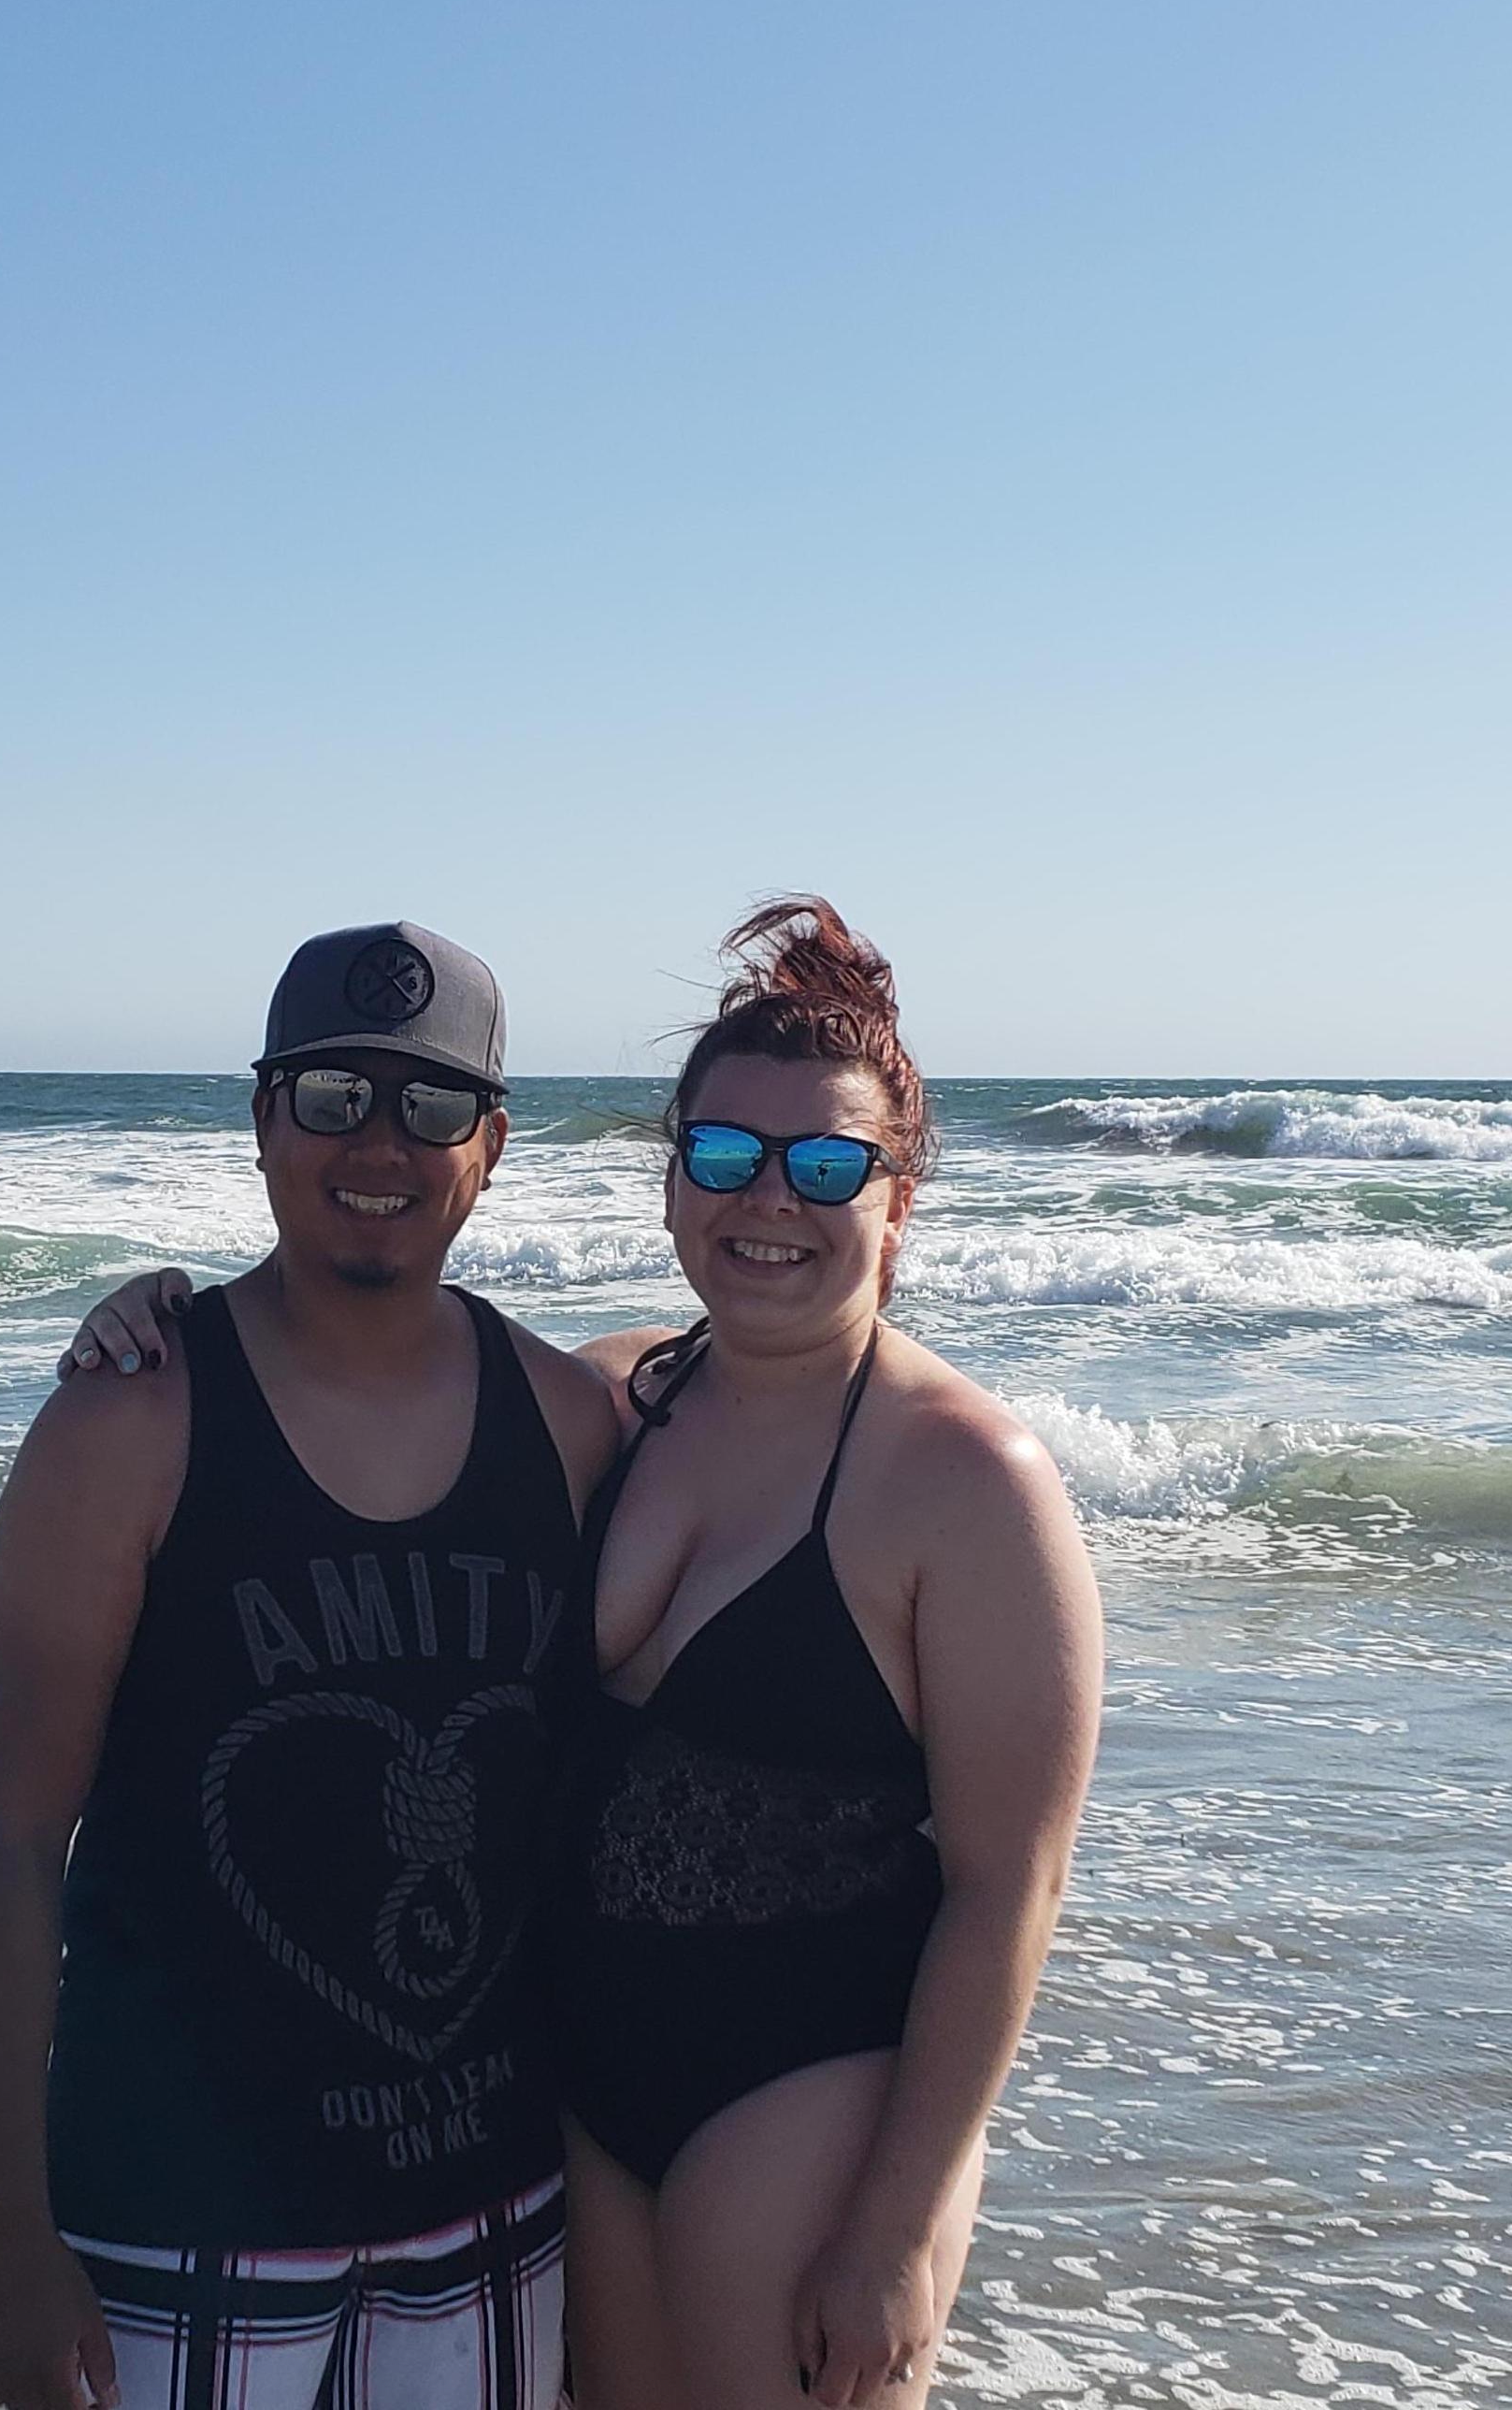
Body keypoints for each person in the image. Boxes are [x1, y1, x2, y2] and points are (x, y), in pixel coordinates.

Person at [65, 900, 1102, 2410]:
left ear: (900, 1197)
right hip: (570, 2084)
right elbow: (381, 1370)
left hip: (803, 2078)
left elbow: (1015, 1885)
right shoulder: (616, 1399)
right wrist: (164, 1313)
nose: (770, 1199)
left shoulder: (967, 1479)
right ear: (676, 1170)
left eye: (825, 1163)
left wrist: (893, 2230)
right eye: (725, 1153)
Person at [0, 919, 618, 2410]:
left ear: (492, 1148)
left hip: (497, 2223)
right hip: (180, 2230)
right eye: (332, 1096)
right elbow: (3, 1845)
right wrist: (5, 2242)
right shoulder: (128, 1428)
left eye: (432, 1106)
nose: (379, 1142)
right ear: (261, 1123)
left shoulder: (573, 1431)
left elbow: (768, 1384)